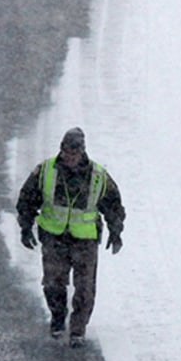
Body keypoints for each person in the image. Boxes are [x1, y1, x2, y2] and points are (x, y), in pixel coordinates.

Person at [16, 126, 125, 348]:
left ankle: (78, 329)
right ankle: (58, 316)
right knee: (53, 283)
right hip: (53, 237)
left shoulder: (98, 176)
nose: (69, 157)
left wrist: (116, 231)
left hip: (85, 240)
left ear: (82, 152)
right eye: (65, 152)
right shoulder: (46, 171)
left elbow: (113, 204)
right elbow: (27, 198)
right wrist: (25, 226)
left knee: (85, 288)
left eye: (73, 153)